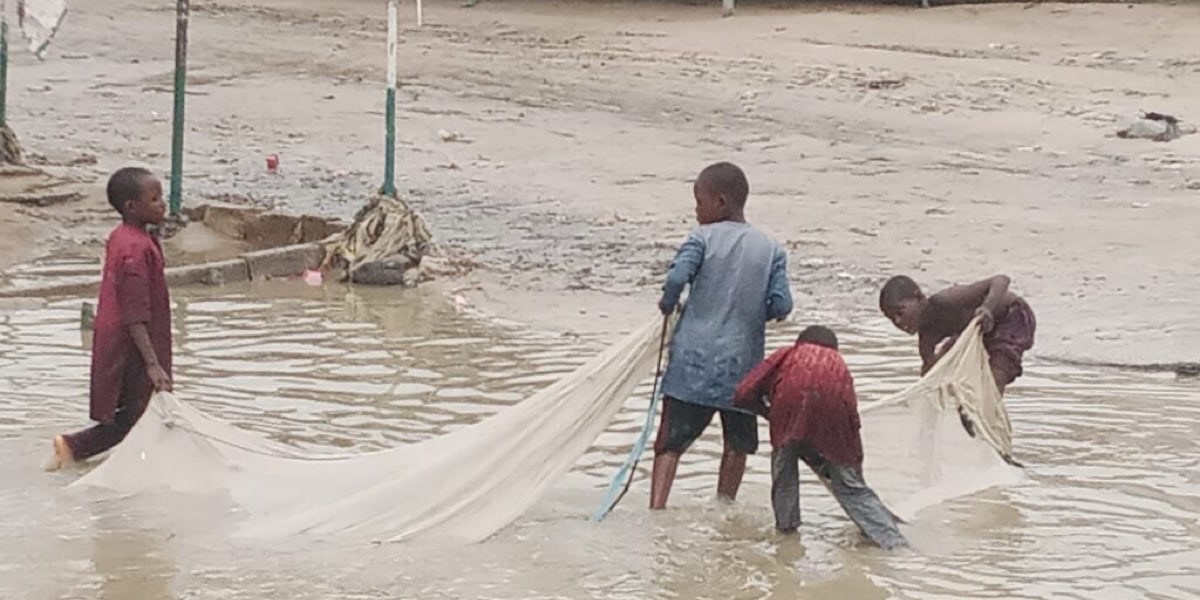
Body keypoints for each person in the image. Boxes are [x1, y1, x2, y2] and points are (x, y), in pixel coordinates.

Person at [649, 161, 793, 509]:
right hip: (743, 369)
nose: (696, 210)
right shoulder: (770, 248)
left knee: (670, 445)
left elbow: (675, 279)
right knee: (737, 444)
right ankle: (724, 508)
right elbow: (782, 304)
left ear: (721, 202)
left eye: (699, 202)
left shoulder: (700, 238)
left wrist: (668, 305)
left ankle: (656, 510)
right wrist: (753, 311)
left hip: (691, 366)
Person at [734, 326, 908, 549]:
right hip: (834, 411)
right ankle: (894, 544)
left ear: (800, 342)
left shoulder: (788, 353)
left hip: (788, 405)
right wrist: (853, 467)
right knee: (850, 485)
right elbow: (851, 420)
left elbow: (742, 392)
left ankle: (786, 535)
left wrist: (770, 413)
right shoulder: (839, 364)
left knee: (784, 472)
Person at [47, 167, 173, 470]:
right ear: (132, 207)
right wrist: (152, 362)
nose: (162, 204)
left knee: (140, 413)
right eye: (154, 199)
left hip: (126, 336)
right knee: (137, 415)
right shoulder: (134, 247)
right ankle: (73, 446)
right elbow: (134, 310)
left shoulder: (125, 237)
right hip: (133, 342)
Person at [877, 274, 1036, 394]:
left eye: (900, 312)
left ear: (919, 297)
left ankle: (988, 417)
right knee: (946, 370)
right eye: (892, 318)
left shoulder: (946, 300)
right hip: (977, 332)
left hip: (1011, 316)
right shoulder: (926, 339)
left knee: (995, 378)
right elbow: (928, 381)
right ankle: (972, 412)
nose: (898, 321)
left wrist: (987, 308)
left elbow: (1001, 280)